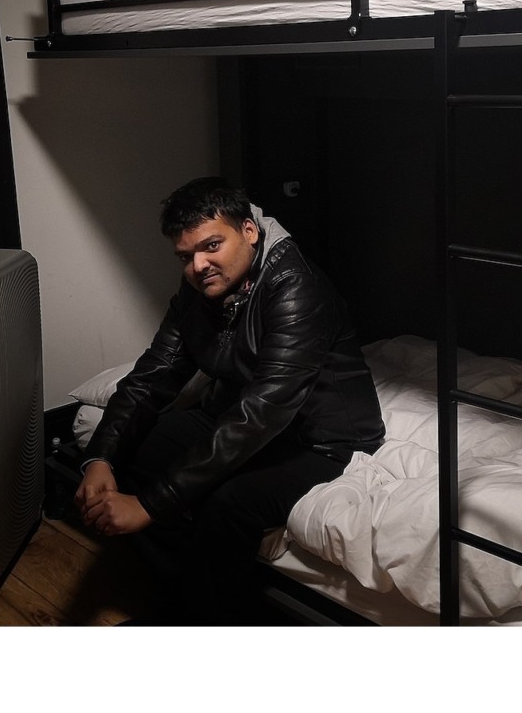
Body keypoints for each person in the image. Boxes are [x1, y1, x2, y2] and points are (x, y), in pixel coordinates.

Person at [75, 177, 385, 624]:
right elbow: (153, 375)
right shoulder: (201, 287)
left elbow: (263, 413)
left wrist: (149, 506)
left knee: (230, 504)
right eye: (186, 256)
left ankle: (204, 616)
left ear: (250, 231)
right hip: (238, 413)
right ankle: (187, 597)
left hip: (319, 439)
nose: (198, 265)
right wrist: (101, 457)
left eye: (212, 245)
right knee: (136, 451)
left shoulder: (297, 288)